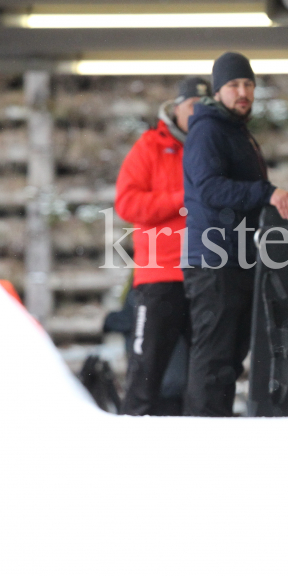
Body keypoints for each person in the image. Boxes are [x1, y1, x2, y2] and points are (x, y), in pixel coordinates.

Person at [182, 53, 288, 417]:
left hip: (236, 257)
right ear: (218, 91)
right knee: (215, 356)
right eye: (233, 85)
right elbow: (209, 189)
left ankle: (213, 428)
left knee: (229, 356)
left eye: (248, 84)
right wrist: (265, 193)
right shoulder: (209, 130)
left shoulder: (233, 129)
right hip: (214, 260)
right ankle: (202, 432)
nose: (243, 91)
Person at [114, 77, 208, 415]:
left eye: (204, 107)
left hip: (206, 274)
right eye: (191, 107)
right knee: (145, 374)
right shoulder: (150, 147)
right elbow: (127, 203)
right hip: (160, 276)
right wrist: (183, 200)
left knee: (206, 376)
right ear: (176, 108)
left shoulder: (213, 145)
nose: (197, 114)